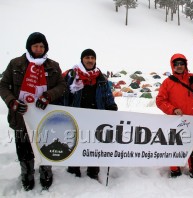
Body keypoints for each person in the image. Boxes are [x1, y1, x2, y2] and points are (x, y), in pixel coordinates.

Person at [0, 32, 66, 191]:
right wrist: (12, 102)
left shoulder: (53, 66)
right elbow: (3, 85)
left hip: (45, 116)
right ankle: (27, 172)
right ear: (29, 46)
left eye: (42, 46)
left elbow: (62, 86)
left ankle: (46, 171)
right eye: (35, 46)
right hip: (20, 115)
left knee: (46, 144)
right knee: (23, 147)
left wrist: (49, 96)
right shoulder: (16, 64)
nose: (38, 49)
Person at [63, 49, 118, 180]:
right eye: (87, 57)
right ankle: (74, 169)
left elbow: (107, 95)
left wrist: (111, 105)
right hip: (76, 116)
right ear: (82, 59)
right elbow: (65, 94)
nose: (90, 60)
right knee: (75, 142)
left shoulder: (101, 78)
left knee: (94, 143)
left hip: (96, 117)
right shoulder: (72, 75)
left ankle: (93, 171)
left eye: (92, 58)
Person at [156, 53, 193, 179]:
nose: (179, 66)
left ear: (185, 65)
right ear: (172, 66)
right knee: (174, 146)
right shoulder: (167, 82)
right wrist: (173, 109)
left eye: (182, 64)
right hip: (175, 121)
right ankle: (175, 171)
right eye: (176, 64)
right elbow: (160, 101)